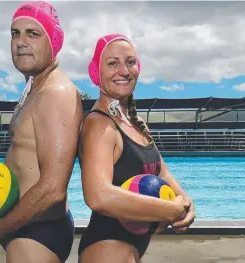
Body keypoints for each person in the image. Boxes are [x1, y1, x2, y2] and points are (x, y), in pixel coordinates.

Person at [0, 2, 83, 263]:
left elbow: (53, 189)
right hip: (28, 226)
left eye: (33, 33)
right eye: (15, 33)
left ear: (53, 41)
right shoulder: (36, 88)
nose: (20, 42)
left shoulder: (55, 92)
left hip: (37, 232)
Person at [77, 34, 196, 263]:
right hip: (106, 250)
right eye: (112, 63)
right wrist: (168, 211)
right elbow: (98, 195)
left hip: (131, 249)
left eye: (130, 62)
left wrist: (187, 203)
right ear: (96, 72)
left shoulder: (136, 123)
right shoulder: (99, 123)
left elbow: (162, 172)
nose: (123, 70)